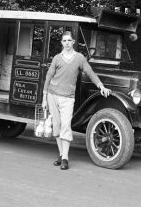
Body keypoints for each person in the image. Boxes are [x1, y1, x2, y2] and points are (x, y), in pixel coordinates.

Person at [42, 30, 111, 170]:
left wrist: (101, 86)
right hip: (52, 95)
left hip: (68, 98)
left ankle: (65, 159)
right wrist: (44, 98)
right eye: (64, 41)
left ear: (73, 42)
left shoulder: (79, 58)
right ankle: (61, 155)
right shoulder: (57, 58)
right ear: (62, 43)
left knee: (66, 125)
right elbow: (48, 77)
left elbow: (90, 73)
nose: (67, 43)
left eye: (69, 40)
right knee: (57, 126)